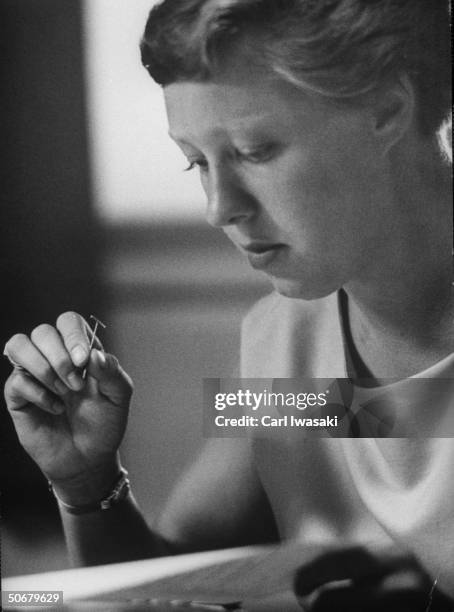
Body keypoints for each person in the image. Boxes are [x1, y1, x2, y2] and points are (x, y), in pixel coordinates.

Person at [4, 0, 453, 609]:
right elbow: (173, 590)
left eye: (255, 150)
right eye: (195, 161)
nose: (220, 208)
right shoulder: (284, 339)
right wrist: (86, 482)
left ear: (388, 107)